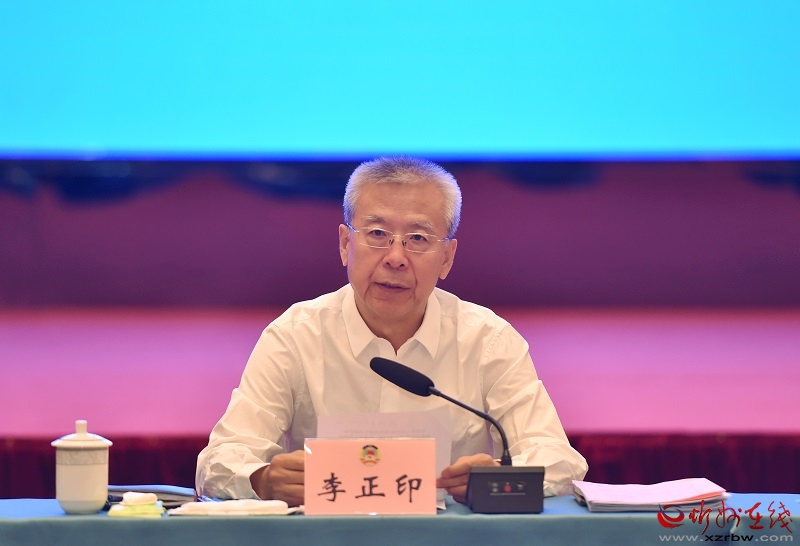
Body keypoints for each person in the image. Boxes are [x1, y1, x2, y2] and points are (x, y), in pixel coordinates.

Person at [196, 156, 587, 506]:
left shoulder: (487, 340)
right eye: (377, 234)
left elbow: (558, 459)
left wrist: (500, 477)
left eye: (417, 239)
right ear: (346, 244)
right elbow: (219, 460)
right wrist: (262, 479)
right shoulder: (295, 336)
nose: (396, 258)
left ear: (447, 257)